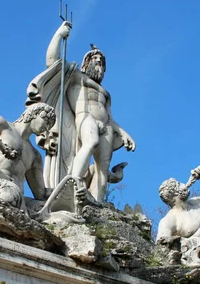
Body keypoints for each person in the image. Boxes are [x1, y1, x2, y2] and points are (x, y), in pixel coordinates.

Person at [26, 21, 136, 202]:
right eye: (95, 60)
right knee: (90, 142)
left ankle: (97, 201)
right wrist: (59, 34)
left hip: (106, 125)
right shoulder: (76, 76)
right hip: (84, 117)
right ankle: (74, 182)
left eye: (102, 62)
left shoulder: (106, 94)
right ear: (87, 62)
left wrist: (124, 133)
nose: (99, 63)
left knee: (103, 166)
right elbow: (52, 62)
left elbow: (111, 117)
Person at [155, 165, 200, 243]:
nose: (183, 184)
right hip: (194, 254)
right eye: (178, 185)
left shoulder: (195, 203)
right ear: (173, 194)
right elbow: (161, 247)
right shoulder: (168, 221)